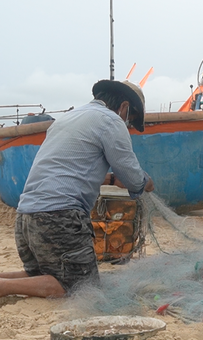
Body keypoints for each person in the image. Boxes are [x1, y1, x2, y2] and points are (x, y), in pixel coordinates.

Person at [0, 80, 155, 298]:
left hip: (25, 216)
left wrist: (110, 180)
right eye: (130, 120)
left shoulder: (69, 118)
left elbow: (69, 169)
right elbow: (133, 177)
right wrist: (146, 183)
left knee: (41, 274)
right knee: (79, 286)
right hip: (58, 218)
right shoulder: (110, 121)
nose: (127, 125)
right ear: (124, 107)